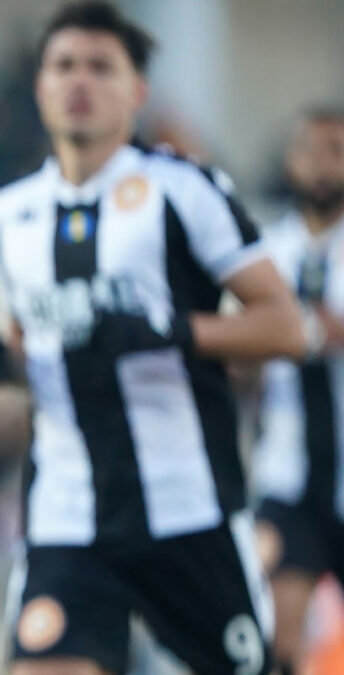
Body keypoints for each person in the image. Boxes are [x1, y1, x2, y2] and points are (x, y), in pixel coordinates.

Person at [0, 2, 308, 674]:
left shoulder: (184, 191)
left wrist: (175, 330)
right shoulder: (7, 215)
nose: (80, 81)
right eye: (64, 65)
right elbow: (33, 343)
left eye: (101, 66)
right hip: (65, 513)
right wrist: (1, 363)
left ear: (137, 91)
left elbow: (286, 326)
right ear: (40, 85)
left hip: (188, 508)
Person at [253, 107, 344, 675]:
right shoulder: (266, 252)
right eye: (310, 151)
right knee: (279, 638)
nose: (321, 166)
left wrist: (291, 327)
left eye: (335, 151)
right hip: (288, 473)